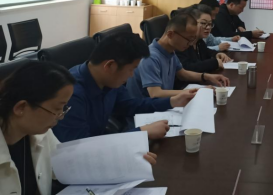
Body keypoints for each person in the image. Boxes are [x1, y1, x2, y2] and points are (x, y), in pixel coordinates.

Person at [0, 62, 157, 195]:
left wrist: (127, 159)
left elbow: (72, 164)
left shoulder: (41, 134)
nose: (60, 117)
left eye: (63, 109)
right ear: (21, 108)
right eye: (56, 109)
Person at [53, 33, 198, 143]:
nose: (131, 75)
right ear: (110, 66)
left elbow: (130, 105)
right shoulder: (71, 95)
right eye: (131, 69)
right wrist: (142, 132)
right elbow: (80, 146)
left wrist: (172, 101)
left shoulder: (109, 80)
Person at [127, 14, 230, 100]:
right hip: (145, 112)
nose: (190, 44)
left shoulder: (170, 51)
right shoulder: (150, 57)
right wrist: (197, 91)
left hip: (162, 105)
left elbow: (182, 74)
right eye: (188, 39)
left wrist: (207, 76)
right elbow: (155, 93)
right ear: (170, 34)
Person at [176, 5, 233, 75]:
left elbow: (206, 51)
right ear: (191, 23)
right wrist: (214, 63)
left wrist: (217, 54)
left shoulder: (199, 41)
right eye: (203, 23)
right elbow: (186, 67)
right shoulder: (181, 43)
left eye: (210, 24)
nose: (208, 27)